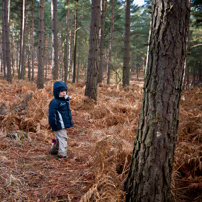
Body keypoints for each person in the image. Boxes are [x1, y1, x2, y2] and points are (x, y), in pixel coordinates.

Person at [48, 81, 73, 158]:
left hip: (63, 123)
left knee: (58, 138)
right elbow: (51, 113)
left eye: (65, 91)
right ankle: (62, 154)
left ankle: (54, 150)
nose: (64, 93)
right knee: (63, 137)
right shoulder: (55, 102)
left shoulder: (64, 100)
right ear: (57, 92)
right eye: (61, 91)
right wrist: (52, 122)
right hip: (59, 123)